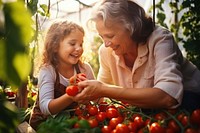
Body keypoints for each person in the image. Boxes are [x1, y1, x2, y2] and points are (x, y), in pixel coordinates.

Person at [73, 0, 200, 111]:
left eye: (110, 36)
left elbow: (168, 97)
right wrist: (86, 91)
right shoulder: (106, 52)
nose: (106, 44)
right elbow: (100, 95)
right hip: (153, 112)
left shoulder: (160, 39)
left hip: (192, 101)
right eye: (102, 37)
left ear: (132, 28)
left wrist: (103, 89)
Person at [29, 20, 95, 130]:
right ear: (55, 46)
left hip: (72, 123)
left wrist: (94, 93)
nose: (79, 48)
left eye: (81, 44)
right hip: (45, 125)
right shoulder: (48, 71)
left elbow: (97, 99)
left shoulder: (84, 68)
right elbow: (46, 108)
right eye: (72, 44)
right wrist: (72, 94)